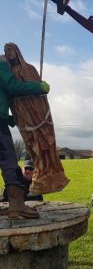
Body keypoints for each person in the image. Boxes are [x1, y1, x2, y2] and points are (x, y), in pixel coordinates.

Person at [0, 53, 49, 219]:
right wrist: (39, 87)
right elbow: (13, 87)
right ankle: (16, 205)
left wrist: (11, 119)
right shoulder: (2, 65)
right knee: (8, 160)